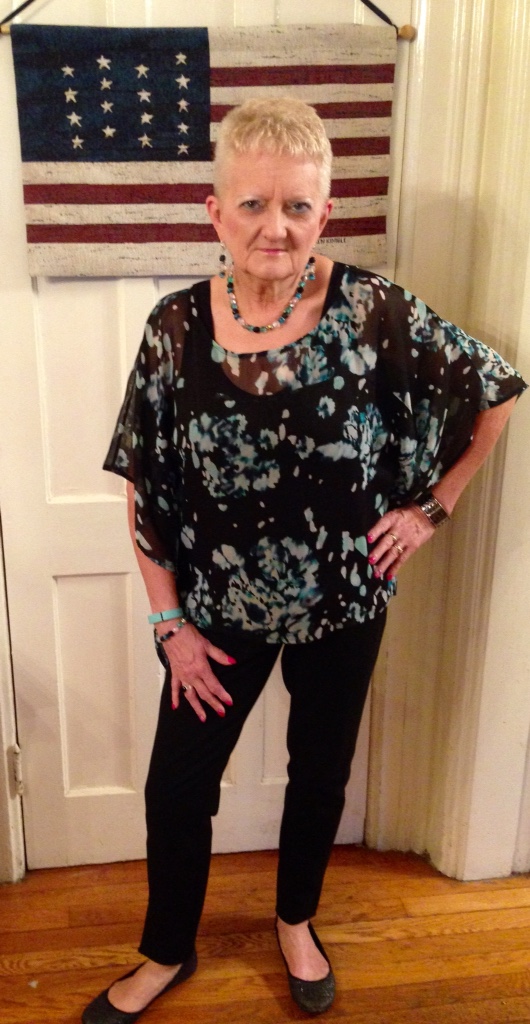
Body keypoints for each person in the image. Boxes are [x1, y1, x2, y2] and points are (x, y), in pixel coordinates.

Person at [82, 97, 526, 1023]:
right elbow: (145, 486)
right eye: (252, 204)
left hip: (344, 606)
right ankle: (166, 950)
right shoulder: (174, 329)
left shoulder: (373, 310)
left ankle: (295, 923)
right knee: (177, 786)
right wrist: (170, 625)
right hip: (215, 619)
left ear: (325, 211)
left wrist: (431, 508)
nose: (274, 228)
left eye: (295, 206)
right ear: (216, 212)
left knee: (319, 775)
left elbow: (495, 391)